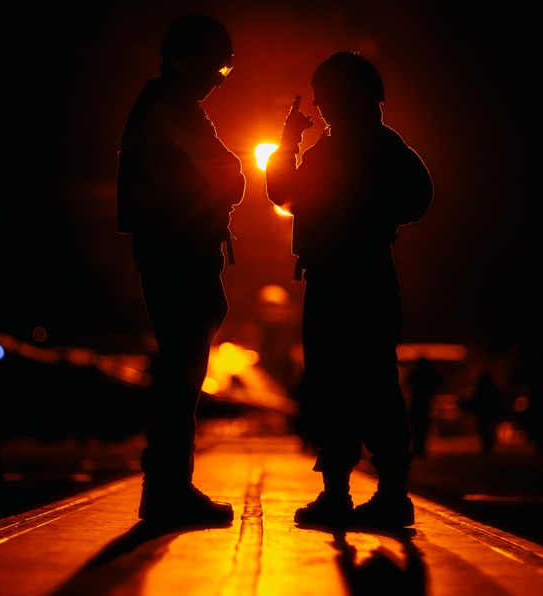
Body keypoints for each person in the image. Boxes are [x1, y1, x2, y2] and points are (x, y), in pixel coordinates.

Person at [265, 51, 433, 529]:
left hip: (354, 280)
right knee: (339, 386)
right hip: (341, 277)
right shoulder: (352, 146)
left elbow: (285, 195)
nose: (319, 107)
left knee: (366, 385)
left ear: (350, 96)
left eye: (324, 97)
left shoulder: (375, 146)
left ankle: (381, 493)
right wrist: (288, 144)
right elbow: (286, 195)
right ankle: (349, 492)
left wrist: (365, 220)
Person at [115, 14, 245, 530]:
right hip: (177, 253)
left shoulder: (163, 105)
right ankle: (169, 490)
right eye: (215, 66)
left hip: (173, 250)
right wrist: (227, 178)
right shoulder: (173, 110)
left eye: (226, 69)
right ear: (183, 60)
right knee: (181, 372)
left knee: (181, 369)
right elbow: (227, 175)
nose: (219, 78)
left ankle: (167, 487)